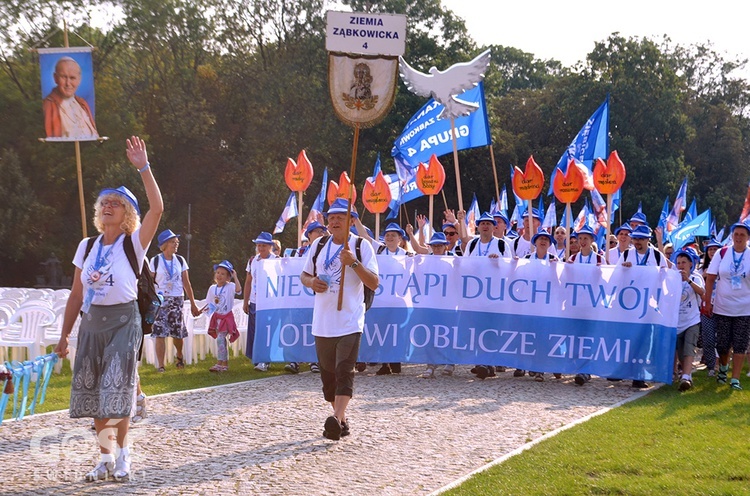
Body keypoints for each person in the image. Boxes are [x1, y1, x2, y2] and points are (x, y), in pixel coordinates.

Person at [53, 136, 163, 482]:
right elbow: (75, 295)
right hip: (92, 323)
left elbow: (158, 209)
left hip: (123, 321)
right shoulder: (86, 247)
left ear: (127, 213)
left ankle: (126, 456)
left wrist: (143, 167)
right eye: (103, 203)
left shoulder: (134, 243)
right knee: (94, 398)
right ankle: (105, 459)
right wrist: (64, 336)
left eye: (115, 203)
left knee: (116, 390)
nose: (107, 206)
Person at [300, 199, 379, 441]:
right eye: (331, 217)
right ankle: (341, 421)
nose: (334, 221)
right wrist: (312, 282)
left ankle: (335, 419)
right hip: (322, 322)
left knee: (344, 371)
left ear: (351, 221)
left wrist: (353, 263)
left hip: (349, 321)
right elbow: (304, 275)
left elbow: (374, 283)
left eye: (340, 217)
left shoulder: (361, 246)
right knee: (329, 379)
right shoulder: (318, 245)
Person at [703, 221, 750, 390]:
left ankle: (735, 379)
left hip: (744, 308)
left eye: (742, 235)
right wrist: (707, 301)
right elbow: (710, 278)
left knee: (740, 344)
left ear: (747, 238)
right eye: (736, 234)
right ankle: (723, 368)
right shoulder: (722, 253)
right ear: (732, 236)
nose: (738, 237)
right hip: (722, 307)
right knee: (722, 344)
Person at [621, 224, 667, 388]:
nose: (637, 242)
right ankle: (622, 371)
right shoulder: (626, 254)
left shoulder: (657, 255)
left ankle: (638, 375)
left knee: (645, 340)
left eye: (641, 238)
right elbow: (616, 277)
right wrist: (623, 269)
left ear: (648, 239)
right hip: (629, 304)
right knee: (628, 338)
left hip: (649, 304)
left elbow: (666, 277)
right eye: (635, 238)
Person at [149, 229, 200, 372]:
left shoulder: (180, 260)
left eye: (177, 242)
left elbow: (186, 283)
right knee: (160, 332)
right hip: (160, 300)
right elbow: (149, 281)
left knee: (177, 332)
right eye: (173, 242)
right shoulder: (156, 260)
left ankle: (179, 355)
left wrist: (193, 303)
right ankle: (161, 365)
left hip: (177, 299)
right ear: (164, 244)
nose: (176, 244)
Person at [419, 232, 456, 378]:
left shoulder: (453, 259)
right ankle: (431, 364)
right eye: (434, 246)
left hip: (448, 303)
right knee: (430, 333)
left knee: (448, 333)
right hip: (431, 303)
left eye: (440, 245)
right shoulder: (426, 260)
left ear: (445, 247)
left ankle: (450, 361)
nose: (437, 248)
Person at [243, 231, 278, 372]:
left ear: (270, 246)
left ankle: (265, 360)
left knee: (266, 331)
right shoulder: (253, 260)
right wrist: (245, 301)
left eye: (264, 246)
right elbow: (248, 281)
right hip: (255, 301)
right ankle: (257, 358)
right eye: (259, 245)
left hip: (270, 302)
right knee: (255, 330)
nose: (261, 248)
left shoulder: (276, 260)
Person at [43, 56, 98, 139]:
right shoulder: (49, 105)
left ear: (79, 80)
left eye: (72, 78)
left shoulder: (82, 104)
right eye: (63, 77)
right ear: (55, 78)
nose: (68, 83)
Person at [674, 249, 705, 391]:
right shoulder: (672, 278)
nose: (681, 265)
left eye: (684, 263)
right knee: (681, 352)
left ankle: (685, 377)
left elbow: (702, 293)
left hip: (692, 320)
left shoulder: (695, 276)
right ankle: (687, 375)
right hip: (676, 322)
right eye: (678, 262)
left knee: (689, 348)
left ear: (690, 264)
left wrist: (688, 280)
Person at [203, 260, 242, 373]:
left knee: (220, 338)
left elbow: (239, 290)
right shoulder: (212, 288)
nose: (219, 275)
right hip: (217, 317)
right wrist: (202, 313)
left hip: (226, 317)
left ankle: (221, 363)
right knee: (220, 340)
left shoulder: (230, 286)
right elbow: (210, 304)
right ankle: (223, 363)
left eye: (223, 274)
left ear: (228, 277)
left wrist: (235, 277)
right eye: (218, 273)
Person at [699, 238, 722, 376]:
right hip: (706, 307)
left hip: (722, 306)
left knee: (721, 338)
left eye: (715, 249)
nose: (713, 252)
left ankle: (720, 364)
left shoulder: (725, 267)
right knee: (708, 338)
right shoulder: (701, 268)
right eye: (710, 249)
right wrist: (704, 275)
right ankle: (711, 365)